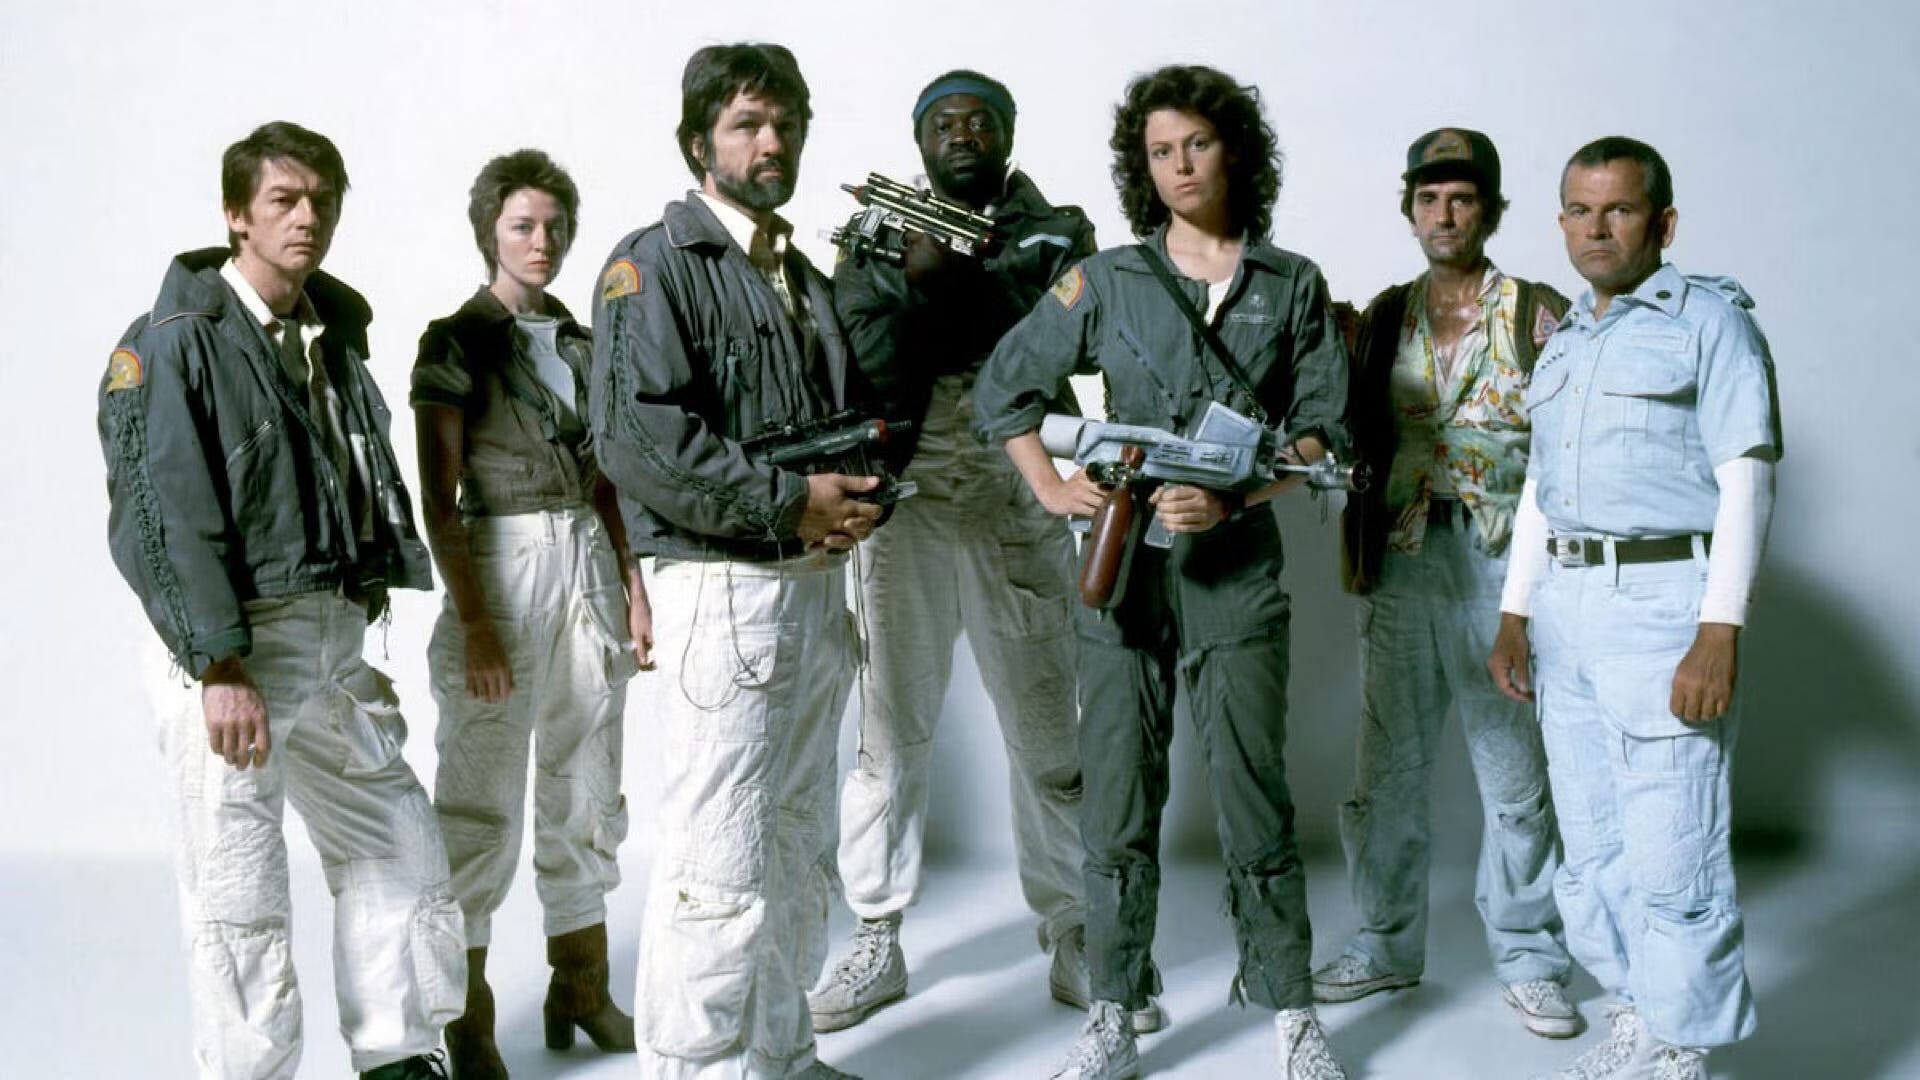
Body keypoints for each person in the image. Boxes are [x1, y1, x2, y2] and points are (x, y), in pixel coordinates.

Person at [974, 65, 1352, 1080]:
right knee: (1116, 800)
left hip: (1236, 573)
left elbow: (1323, 433)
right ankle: (1113, 1008)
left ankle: (1291, 1011)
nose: (1181, 166)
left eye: (1198, 143)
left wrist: (1237, 499)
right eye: (1159, 151)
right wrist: (1054, 489)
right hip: (1125, 570)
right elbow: (1004, 389)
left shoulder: (1292, 284)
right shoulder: (1105, 280)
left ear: (1236, 151)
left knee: (1255, 796)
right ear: (1140, 168)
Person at [98, 121, 459, 1080]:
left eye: (322, 201)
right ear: (236, 216)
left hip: (331, 639)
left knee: (397, 845)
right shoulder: (174, 342)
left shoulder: (330, 335)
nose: (308, 219)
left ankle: (397, 1057)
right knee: (240, 890)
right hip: (234, 647)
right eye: (283, 201)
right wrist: (216, 662)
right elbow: (157, 513)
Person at [587, 41, 884, 1080]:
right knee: (718, 852)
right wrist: (791, 502)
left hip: (809, 585)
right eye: (748, 124)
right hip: (722, 590)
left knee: (796, 839)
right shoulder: (653, 265)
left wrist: (854, 500)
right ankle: (695, 1067)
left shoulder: (801, 276)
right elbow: (635, 437)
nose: (773, 142)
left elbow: (838, 423)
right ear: (697, 144)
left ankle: (780, 1053)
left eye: (786, 124)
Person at [809, 68, 1108, 1035]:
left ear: (1007, 137)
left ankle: (1073, 924)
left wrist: (946, 285)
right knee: (888, 732)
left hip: (1021, 487)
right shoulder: (876, 230)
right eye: (944, 122)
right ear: (921, 142)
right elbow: (865, 348)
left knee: (1048, 726)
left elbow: (1068, 340)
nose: (963, 133)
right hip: (909, 493)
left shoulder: (1058, 227)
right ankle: (876, 932)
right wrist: (939, 290)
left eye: (981, 120)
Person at [1489, 136, 1779, 1080]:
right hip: (1567, 608)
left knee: (1671, 849)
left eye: (1618, 209)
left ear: (1664, 223)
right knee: (1592, 849)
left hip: (1663, 608)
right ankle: (1638, 1014)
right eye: (1579, 210)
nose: (1596, 229)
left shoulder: (1710, 324)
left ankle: (1683, 1045)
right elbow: (1542, 487)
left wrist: (1719, 630)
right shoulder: (1567, 338)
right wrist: (1516, 613)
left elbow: (1745, 478)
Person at [1313, 127, 1580, 1039]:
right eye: (1429, 199)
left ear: (1491, 211)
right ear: (1410, 210)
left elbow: (1570, 443)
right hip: (1403, 564)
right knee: (1385, 776)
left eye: (1462, 198)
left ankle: (1532, 955)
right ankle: (1386, 943)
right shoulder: (1385, 316)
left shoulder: (1536, 313)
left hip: (1504, 572)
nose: (1445, 214)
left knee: (1515, 778)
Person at [411, 149, 654, 1077]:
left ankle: (580, 987)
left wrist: (632, 587)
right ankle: (465, 1019)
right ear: (491, 233)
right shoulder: (454, 340)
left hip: (588, 565)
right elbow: (439, 502)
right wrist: (475, 623)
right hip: (501, 564)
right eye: (522, 225)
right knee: (480, 803)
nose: (541, 241)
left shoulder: (583, 340)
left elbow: (607, 479)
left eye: (553, 226)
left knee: (588, 784)